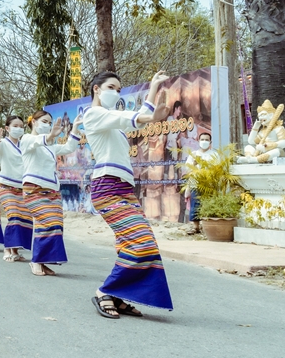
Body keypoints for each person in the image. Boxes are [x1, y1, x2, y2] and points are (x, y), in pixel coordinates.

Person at [84, 70, 174, 319]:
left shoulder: (112, 122)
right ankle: (105, 291)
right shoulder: (93, 115)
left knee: (131, 243)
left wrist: (154, 87)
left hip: (123, 188)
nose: (116, 93)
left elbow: (133, 117)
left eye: (119, 89)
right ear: (96, 89)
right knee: (141, 242)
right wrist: (149, 117)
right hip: (107, 187)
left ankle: (118, 296)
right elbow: (129, 116)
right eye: (111, 87)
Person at [20, 112, 82, 276]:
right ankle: (35, 261)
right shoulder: (26, 139)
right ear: (33, 122)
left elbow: (69, 147)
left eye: (49, 122)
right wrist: (50, 136)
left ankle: (41, 260)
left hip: (52, 191)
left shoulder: (50, 147)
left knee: (54, 225)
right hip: (34, 189)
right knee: (47, 222)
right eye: (44, 121)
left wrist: (74, 128)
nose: (48, 124)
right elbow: (38, 142)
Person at [0, 116, 31, 262]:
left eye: (21, 126)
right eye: (15, 125)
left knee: (24, 219)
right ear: (7, 128)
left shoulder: (25, 144)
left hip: (23, 188)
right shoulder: (3, 143)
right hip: (6, 186)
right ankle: (7, 248)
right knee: (14, 216)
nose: (19, 129)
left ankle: (15, 250)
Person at [183, 132, 217, 236]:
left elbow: (217, 170)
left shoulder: (214, 155)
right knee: (195, 205)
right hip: (195, 183)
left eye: (207, 140)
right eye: (202, 139)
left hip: (209, 183)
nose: (204, 142)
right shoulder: (193, 154)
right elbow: (187, 171)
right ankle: (196, 227)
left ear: (210, 142)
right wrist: (194, 164)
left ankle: (208, 227)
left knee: (209, 204)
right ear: (198, 141)